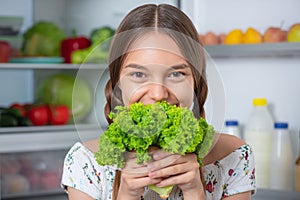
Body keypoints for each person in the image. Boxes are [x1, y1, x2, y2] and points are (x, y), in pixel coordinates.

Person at [61, 4, 256, 200]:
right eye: (138, 74)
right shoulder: (85, 163)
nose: (158, 93)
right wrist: (126, 195)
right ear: (118, 83)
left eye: (175, 74)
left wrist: (194, 191)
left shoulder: (234, 157)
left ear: (196, 82)